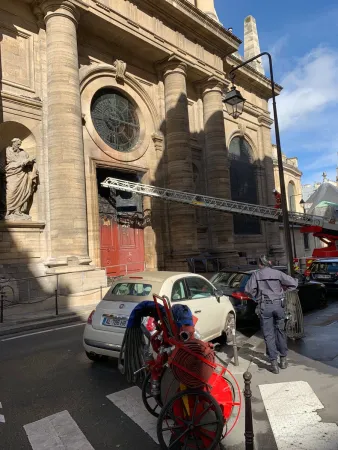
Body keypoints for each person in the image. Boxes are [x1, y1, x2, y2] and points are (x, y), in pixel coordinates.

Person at [245, 255, 298, 374]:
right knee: (280, 331)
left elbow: (248, 290)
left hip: (265, 306)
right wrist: (282, 292)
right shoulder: (278, 273)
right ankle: (283, 359)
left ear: (260, 264)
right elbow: (294, 284)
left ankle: (274, 363)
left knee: (268, 334)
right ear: (268, 263)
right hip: (279, 305)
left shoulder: (256, 275)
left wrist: (256, 297)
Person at [5, 138, 39, 219]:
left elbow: (28, 163)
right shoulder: (6, 151)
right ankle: (8, 211)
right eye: (17, 144)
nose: (19, 145)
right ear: (13, 143)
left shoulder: (23, 153)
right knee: (11, 191)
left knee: (23, 192)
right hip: (11, 174)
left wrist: (30, 162)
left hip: (23, 175)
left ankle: (18, 211)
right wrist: (23, 162)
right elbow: (4, 164)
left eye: (20, 144)